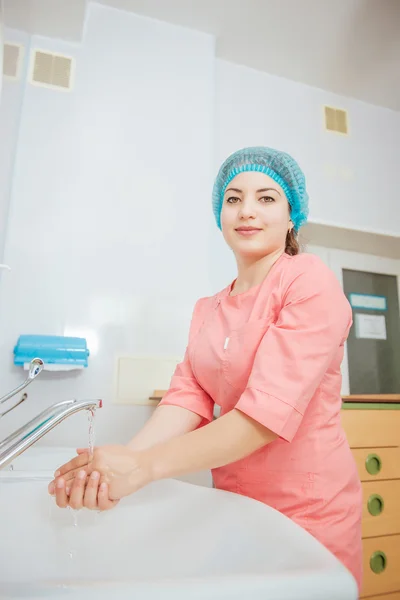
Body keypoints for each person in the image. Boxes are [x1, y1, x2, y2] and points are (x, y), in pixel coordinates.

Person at [48, 146, 362, 591]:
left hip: (307, 515)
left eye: (266, 198)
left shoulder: (308, 281)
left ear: (292, 215)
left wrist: (144, 468)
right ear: (220, 214)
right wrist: (120, 463)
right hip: (235, 508)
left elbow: (263, 417)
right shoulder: (209, 308)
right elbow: (188, 396)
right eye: (233, 199)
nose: (246, 211)